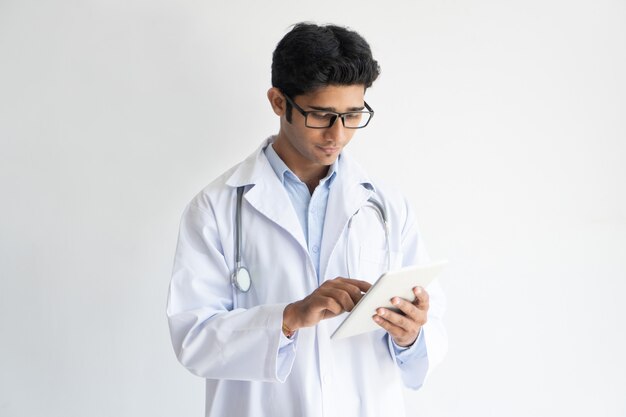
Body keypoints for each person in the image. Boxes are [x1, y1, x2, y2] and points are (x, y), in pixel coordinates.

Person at [166, 22, 447, 417]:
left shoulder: (386, 206)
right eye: (321, 115)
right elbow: (193, 339)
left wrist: (412, 334)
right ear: (279, 102)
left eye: (352, 115)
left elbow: (433, 329)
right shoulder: (215, 208)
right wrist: (290, 317)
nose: (338, 134)